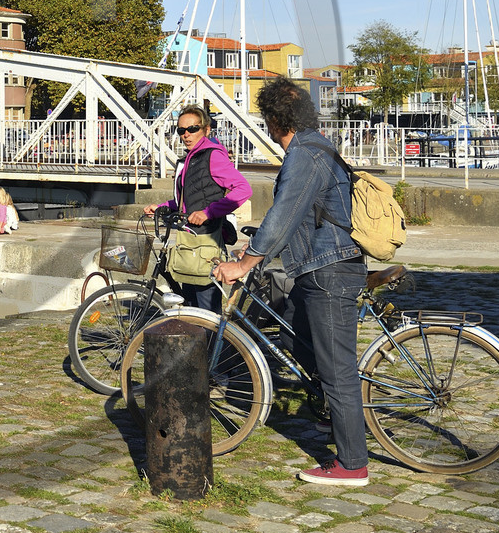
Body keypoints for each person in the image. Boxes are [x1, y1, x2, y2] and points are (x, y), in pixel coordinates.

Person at [213, 78, 368, 486]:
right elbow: (294, 218)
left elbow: (283, 215)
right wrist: (254, 251)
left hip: (329, 270)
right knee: (293, 335)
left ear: (275, 120)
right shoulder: (314, 146)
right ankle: (334, 415)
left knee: (337, 370)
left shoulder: (304, 154)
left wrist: (245, 264)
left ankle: (352, 464)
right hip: (315, 268)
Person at [143, 103, 252, 312]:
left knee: (206, 309)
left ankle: (217, 334)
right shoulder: (190, 159)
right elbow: (187, 199)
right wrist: (162, 207)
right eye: (181, 130)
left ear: (206, 129)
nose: (186, 134)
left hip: (206, 241)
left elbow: (243, 189)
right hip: (188, 242)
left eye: (192, 129)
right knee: (191, 307)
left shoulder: (213, 156)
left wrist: (208, 212)